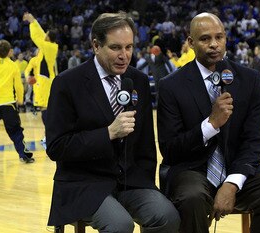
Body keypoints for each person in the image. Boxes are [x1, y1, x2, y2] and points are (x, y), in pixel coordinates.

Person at [157, 12, 260, 233]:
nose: (214, 45)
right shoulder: (171, 86)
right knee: (192, 198)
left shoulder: (249, 80)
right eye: (205, 39)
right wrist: (210, 125)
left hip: (237, 166)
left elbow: (255, 139)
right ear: (191, 43)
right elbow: (170, 149)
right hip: (192, 168)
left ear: (225, 39)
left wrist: (232, 182)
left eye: (219, 37)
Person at [46, 12, 180, 233]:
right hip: (84, 183)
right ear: (96, 45)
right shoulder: (67, 83)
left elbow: (146, 143)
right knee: (120, 224)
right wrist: (107, 133)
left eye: (129, 47)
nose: (124, 56)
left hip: (130, 181)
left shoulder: (138, 81)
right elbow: (56, 147)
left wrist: (146, 183)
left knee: (166, 215)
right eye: (116, 48)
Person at [0, 40, 34, 163]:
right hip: (8, 104)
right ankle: (24, 155)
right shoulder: (13, 65)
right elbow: (18, 86)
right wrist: (20, 100)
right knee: (16, 131)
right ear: (9, 52)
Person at [23, 12, 58, 148]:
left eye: (46, 35)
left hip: (46, 83)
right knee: (47, 110)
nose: (44, 36)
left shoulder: (50, 47)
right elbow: (28, 70)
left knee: (46, 110)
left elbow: (37, 36)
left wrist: (32, 22)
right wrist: (27, 77)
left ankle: (50, 136)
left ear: (48, 38)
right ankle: (49, 135)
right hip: (41, 84)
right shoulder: (41, 53)